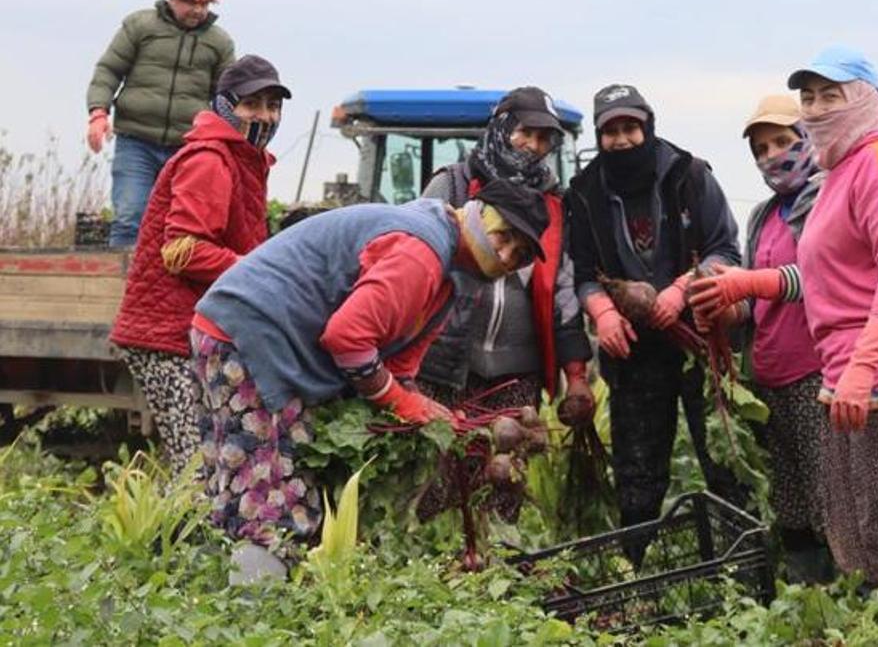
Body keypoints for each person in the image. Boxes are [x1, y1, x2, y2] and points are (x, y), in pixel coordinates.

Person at [690, 47, 878, 589]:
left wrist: (861, 366)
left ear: (868, 101)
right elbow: (823, 278)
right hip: (863, 377)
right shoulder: (839, 176)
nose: (819, 107)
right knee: (876, 538)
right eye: (809, 97)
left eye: (833, 95)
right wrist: (740, 287)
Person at [189, 181, 548, 572]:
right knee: (269, 501)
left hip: (251, 336)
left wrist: (424, 406)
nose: (506, 255)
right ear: (479, 214)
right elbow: (348, 339)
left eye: (521, 255)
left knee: (254, 485)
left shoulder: (448, 272)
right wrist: (402, 403)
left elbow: (399, 364)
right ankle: (251, 622)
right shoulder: (422, 252)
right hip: (250, 337)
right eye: (505, 236)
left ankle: (220, 596)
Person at [566, 83, 745, 551]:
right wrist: (603, 312)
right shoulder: (583, 193)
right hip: (633, 350)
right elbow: (583, 273)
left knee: (724, 459)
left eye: (631, 128)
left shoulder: (689, 174)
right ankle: (635, 565)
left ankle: (742, 563)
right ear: (600, 136)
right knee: (637, 472)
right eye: (611, 131)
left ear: (648, 126)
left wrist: (681, 290)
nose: (622, 140)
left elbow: (726, 247)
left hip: (700, 339)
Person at [109, 55, 290, 475]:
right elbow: (183, 250)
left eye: (273, 106)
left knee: (211, 459)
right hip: (166, 334)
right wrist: (256, 271)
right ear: (225, 106)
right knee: (196, 465)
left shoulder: (244, 161)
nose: (265, 116)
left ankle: (191, 538)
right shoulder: (210, 159)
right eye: (252, 105)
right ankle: (174, 540)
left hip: (195, 330)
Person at [697, 94, 834, 583]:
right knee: (790, 499)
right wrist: (724, 304)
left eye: (781, 141)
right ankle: (805, 603)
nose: (772, 155)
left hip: (817, 375)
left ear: (807, 138)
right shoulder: (762, 215)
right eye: (760, 150)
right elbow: (756, 301)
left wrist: (750, 283)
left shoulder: (826, 199)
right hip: (770, 377)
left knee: (829, 497)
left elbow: (824, 276)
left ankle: (844, 602)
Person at [418, 86, 594, 424]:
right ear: (500, 127)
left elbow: (564, 291)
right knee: (441, 469)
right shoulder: (452, 186)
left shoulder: (553, 205)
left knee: (506, 469)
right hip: (443, 364)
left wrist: (575, 374)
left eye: (544, 138)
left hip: (517, 373)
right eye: (525, 132)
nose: (534, 145)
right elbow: (416, 266)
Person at [86, 0, 235, 247]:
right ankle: (122, 286)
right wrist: (98, 112)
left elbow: (225, 97)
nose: (198, 10)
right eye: (192, 3)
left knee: (181, 222)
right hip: (136, 141)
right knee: (130, 215)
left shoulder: (220, 42)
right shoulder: (140, 26)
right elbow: (109, 69)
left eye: (204, 4)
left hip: (188, 147)